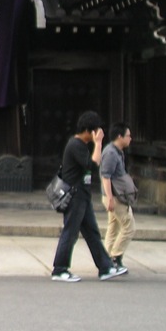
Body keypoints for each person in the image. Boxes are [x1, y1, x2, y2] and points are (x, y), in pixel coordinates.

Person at [51, 110, 128, 282]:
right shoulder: (76, 145)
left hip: (82, 196)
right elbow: (92, 164)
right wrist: (98, 143)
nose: (98, 134)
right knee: (70, 233)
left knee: (92, 232)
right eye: (95, 130)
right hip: (75, 196)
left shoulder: (80, 145)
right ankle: (59, 269)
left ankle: (105, 267)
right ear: (88, 130)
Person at [101, 122, 135, 270]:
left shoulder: (117, 152)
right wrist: (109, 197)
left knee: (113, 227)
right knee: (129, 226)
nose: (130, 138)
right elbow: (105, 176)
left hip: (116, 195)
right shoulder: (110, 153)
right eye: (128, 135)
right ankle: (116, 256)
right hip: (115, 196)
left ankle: (106, 258)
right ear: (119, 136)